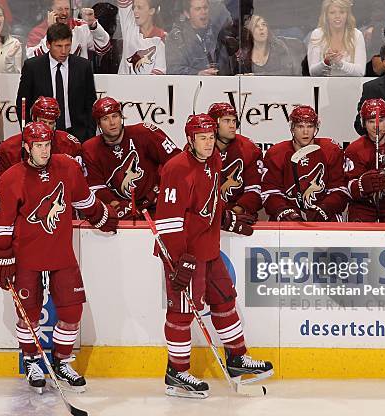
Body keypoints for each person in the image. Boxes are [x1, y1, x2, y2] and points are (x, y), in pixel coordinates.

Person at [0, 121, 117, 393]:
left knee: (72, 311)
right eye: (39, 146)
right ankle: (32, 360)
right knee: (29, 314)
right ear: (27, 147)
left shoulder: (67, 167)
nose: (45, 151)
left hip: (61, 254)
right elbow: (1, 223)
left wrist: (103, 215)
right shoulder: (11, 178)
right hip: (27, 257)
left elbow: (84, 200)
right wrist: (1, 254)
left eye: (47, 145)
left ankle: (61, 361)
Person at [154, 113, 273, 398]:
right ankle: (177, 372)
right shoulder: (176, 169)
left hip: (208, 247)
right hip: (183, 254)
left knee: (224, 298)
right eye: (203, 139)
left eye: (211, 138)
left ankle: (236, 358)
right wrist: (178, 259)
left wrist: (228, 220)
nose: (209, 144)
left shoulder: (215, 161)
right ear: (190, 140)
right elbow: (167, 221)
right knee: (182, 313)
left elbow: (213, 202)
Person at [82, 97, 180, 219]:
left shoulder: (144, 132)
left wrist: (167, 189)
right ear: (98, 123)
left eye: (115, 116)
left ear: (121, 117)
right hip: (121, 209)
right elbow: (96, 187)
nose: (112, 123)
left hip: (154, 202)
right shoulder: (90, 149)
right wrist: (116, 205)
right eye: (105, 119)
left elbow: (176, 161)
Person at [262, 105, 348, 222]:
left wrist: (325, 208)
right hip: (289, 217)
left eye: (310, 126)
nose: (305, 132)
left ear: (316, 128)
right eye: (300, 126)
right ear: (292, 128)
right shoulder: (276, 153)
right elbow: (270, 192)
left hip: (325, 216)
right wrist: (284, 211)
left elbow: (340, 190)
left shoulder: (330, 150)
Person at [17, 23, 97, 141]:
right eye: (59, 46)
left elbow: (91, 103)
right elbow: (22, 104)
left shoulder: (83, 66)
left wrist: (89, 134)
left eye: (67, 45)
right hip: (41, 135)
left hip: (77, 135)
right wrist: (28, 132)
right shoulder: (33, 67)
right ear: (48, 44)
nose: (64, 51)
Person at [0, 96, 82, 196]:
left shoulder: (70, 144)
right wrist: (17, 184)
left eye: (51, 123)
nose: (46, 127)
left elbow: (80, 182)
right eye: (43, 122)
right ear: (34, 119)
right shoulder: (8, 148)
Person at [207, 102, 263, 218]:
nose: (232, 126)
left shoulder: (248, 149)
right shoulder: (200, 148)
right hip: (206, 215)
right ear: (214, 124)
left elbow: (255, 191)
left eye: (234, 121)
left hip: (238, 215)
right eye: (226, 121)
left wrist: (236, 211)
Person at [165, 0, 233, 75]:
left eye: (205, 8)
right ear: (187, 14)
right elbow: (173, 70)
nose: (203, 12)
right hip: (192, 86)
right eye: (198, 9)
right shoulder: (176, 38)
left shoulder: (217, 34)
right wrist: (197, 74)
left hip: (221, 84)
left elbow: (227, 67)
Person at [26, 0, 111, 60]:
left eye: (67, 9)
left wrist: (93, 25)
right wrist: (51, 32)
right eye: (60, 9)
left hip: (77, 81)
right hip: (49, 82)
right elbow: (32, 60)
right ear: (50, 11)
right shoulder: (37, 32)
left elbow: (103, 48)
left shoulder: (81, 27)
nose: (64, 13)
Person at [307, 0, 366, 76]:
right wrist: (326, 62)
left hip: (350, 86)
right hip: (323, 86)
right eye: (332, 13)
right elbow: (313, 72)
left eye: (342, 12)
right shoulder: (317, 34)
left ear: (347, 15)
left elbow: (360, 72)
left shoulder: (356, 35)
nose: (337, 16)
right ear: (326, 15)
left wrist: (340, 63)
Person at [236, 14, 303, 76]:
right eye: (256, 26)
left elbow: (288, 72)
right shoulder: (242, 54)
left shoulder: (278, 46)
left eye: (263, 24)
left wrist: (257, 76)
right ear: (249, 32)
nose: (261, 28)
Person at [117, 0, 167, 75]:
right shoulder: (129, 26)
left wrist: (143, 85)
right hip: (122, 84)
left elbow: (159, 71)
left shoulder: (161, 37)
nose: (135, 11)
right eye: (134, 7)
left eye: (139, 7)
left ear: (151, 11)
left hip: (148, 85)